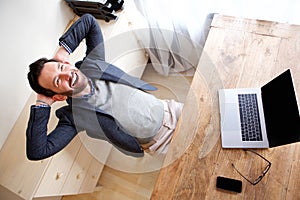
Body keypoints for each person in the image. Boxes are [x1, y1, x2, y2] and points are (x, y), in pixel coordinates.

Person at [26, 14, 183, 160]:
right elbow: (37, 152)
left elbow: (89, 22)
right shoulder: (74, 117)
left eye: (61, 68)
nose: (67, 75)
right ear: (59, 96)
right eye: (57, 82)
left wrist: (63, 53)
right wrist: (42, 104)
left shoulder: (93, 63)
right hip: (160, 143)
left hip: (170, 109)